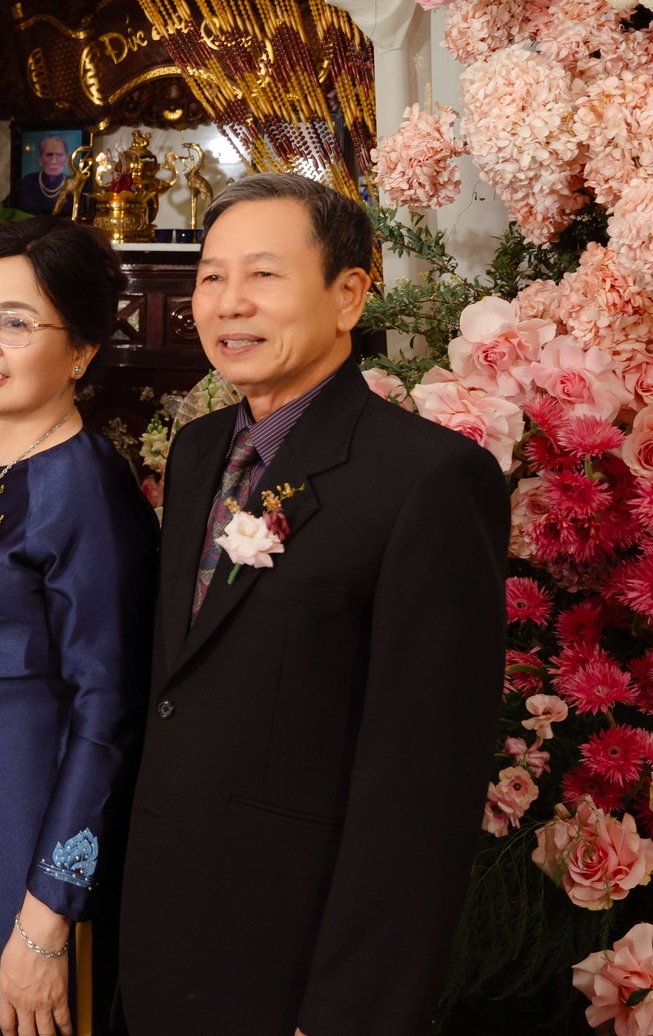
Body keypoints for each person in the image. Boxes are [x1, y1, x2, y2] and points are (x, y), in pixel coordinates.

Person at [114, 173, 507, 1036]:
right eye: (211, 276)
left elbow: (423, 788)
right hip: (159, 939)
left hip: (289, 962)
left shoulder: (428, 480)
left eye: (263, 274)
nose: (229, 302)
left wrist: (348, 1014)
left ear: (348, 295)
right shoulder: (200, 450)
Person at [0, 217, 158, 1036]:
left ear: (80, 350)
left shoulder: (87, 492)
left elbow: (107, 715)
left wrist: (48, 909)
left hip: (18, 822)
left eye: (16, 323)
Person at [17, 134, 72, 216]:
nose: (53, 161)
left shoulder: (73, 183)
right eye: (49, 155)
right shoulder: (29, 181)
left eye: (59, 155)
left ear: (66, 159)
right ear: (40, 158)